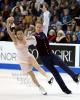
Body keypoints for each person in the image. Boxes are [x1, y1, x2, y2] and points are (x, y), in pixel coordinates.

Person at [6, 17, 52, 95]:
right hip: (22, 61)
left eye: (21, 33)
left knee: (38, 67)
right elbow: (9, 31)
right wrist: (8, 23)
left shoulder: (25, 37)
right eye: (18, 34)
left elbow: (32, 34)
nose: (20, 35)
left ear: (23, 33)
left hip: (29, 56)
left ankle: (48, 77)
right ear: (16, 35)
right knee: (32, 76)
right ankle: (40, 87)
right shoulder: (15, 40)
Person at [33, 21, 80, 94]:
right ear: (35, 28)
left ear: (42, 28)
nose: (39, 28)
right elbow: (27, 41)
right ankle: (65, 89)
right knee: (56, 73)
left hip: (51, 55)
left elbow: (46, 18)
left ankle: (74, 76)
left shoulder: (44, 32)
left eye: (40, 27)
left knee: (63, 64)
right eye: (37, 27)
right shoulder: (34, 37)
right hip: (44, 59)